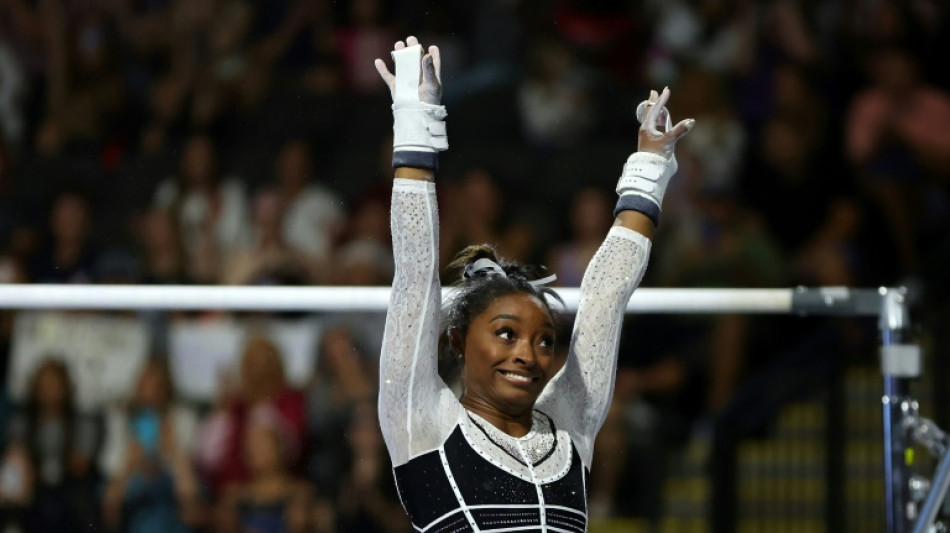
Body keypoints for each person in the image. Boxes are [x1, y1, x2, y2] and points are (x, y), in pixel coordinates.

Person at [373, 36, 694, 532]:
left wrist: (650, 166)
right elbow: (415, 272)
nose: (529, 353)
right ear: (457, 340)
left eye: (544, 339)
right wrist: (415, 121)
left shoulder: (570, 427)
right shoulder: (424, 424)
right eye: (506, 334)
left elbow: (605, 301)